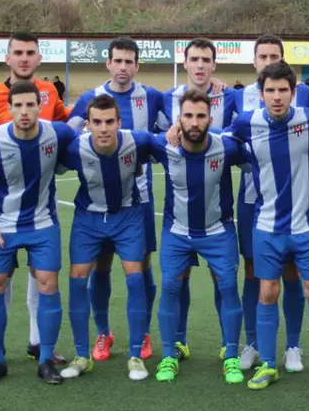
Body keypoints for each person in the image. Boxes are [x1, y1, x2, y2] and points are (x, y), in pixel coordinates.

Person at [224, 60, 309, 394]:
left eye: (283, 90)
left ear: (294, 93)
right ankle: (268, 364)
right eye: (271, 90)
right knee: (267, 291)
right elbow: (219, 141)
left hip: (307, 226)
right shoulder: (245, 123)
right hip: (266, 226)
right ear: (261, 93)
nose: (277, 96)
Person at [0, 31, 69, 369]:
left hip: (40, 207)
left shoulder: (50, 93)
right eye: (18, 53)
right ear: (7, 58)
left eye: (30, 53)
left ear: (39, 58)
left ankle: (40, 344)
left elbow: (67, 127)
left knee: (43, 278)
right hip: (3, 203)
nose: (24, 58)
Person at [67, 36, 164, 362]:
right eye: (117, 61)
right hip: (97, 203)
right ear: (108, 63)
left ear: (137, 65)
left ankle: (143, 331)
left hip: (140, 200)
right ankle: (103, 333)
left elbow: (169, 132)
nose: (123, 67)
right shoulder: (88, 99)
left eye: (129, 62)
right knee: (101, 265)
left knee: (143, 266)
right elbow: (67, 134)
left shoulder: (151, 97)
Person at [232, 33, 309, 372]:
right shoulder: (237, 97)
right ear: (254, 62)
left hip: (295, 201)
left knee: (292, 272)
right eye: (263, 56)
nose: (269, 62)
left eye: (275, 56)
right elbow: (228, 141)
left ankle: (293, 346)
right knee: (254, 273)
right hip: (252, 199)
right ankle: (254, 342)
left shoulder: (304, 97)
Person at [152, 89, 248, 385]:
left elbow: (258, 146)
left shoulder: (227, 147)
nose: (194, 122)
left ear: (210, 119)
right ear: (178, 119)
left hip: (218, 232)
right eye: (188, 116)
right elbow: (128, 139)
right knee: (169, 285)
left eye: (201, 116)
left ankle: (231, 354)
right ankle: (170, 353)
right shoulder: (161, 146)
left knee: (229, 286)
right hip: (177, 231)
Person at [58, 94, 156, 381]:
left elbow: (168, 147)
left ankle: (136, 354)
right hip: (88, 219)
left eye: (109, 122)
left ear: (119, 122)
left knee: (135, 275)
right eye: (97, 122)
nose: (104, 128)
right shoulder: (75, 148)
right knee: (78, 278)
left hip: (127, 216)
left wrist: (174, 133)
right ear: (87, 124)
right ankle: (83, 352)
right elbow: (43, 164)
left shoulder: (137, 141)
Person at [159, 37, 238, 363]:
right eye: (195, 59)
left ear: (214, 64)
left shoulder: (230, 97)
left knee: (224, 280)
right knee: (177, 279)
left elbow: (244, 130)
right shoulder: (165, 99)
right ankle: (177, 342)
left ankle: (229, 347)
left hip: (217, 204)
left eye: (207, 59)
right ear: (186, 62)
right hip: (178, 210)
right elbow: (152, 137)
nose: (201, 65)